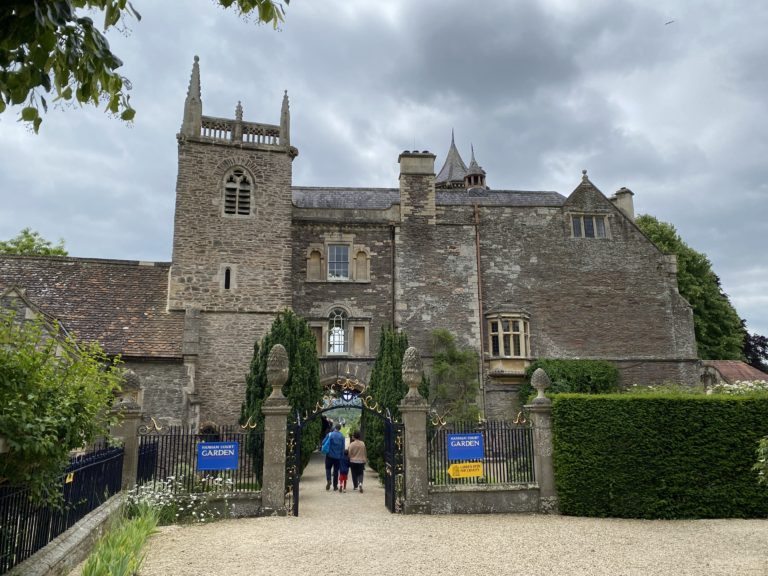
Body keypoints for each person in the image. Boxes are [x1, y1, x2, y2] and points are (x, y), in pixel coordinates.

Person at [325, 423, 345, 491]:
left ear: (334, 427)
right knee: (336, 471)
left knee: (328, 468)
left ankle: (328, 480)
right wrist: (342, 457)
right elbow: (343, 448)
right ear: (340, 429)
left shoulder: (330, 434)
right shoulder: (342, 436)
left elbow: (323, 442)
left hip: (329, 455)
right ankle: (335, 486)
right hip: (338, 457)